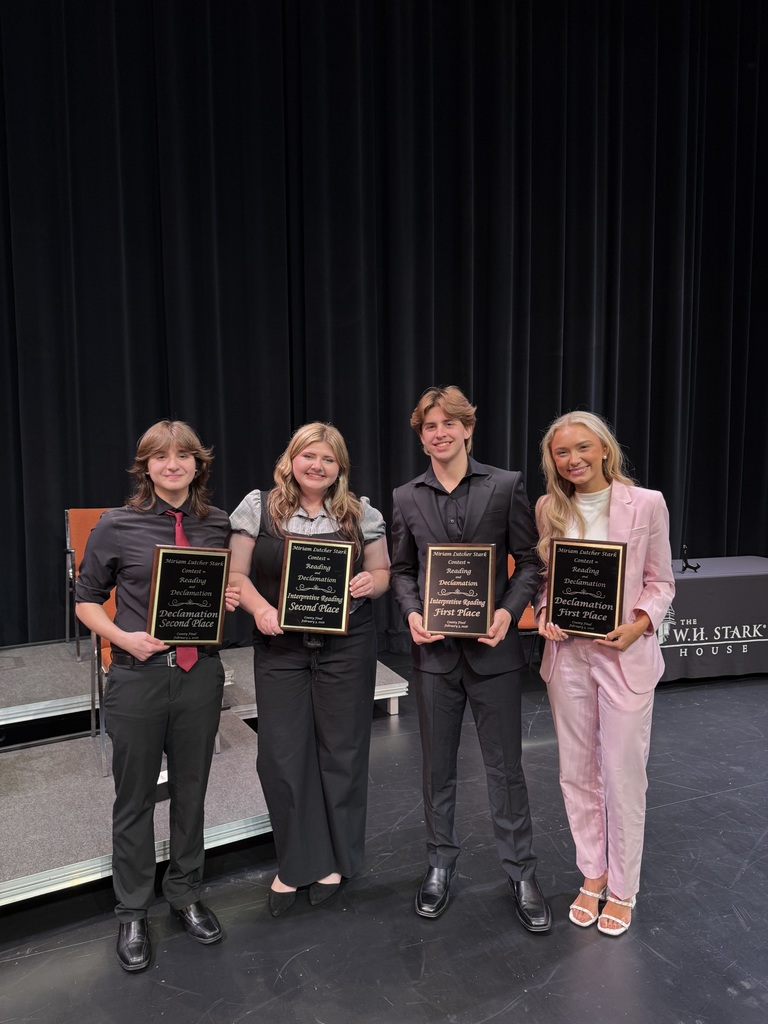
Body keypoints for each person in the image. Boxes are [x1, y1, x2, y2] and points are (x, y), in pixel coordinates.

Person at [75, 420, 239, 972]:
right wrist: (123, 637)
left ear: (198, 464)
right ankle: (132, 910)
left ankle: (186, 894)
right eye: (160, 457)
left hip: (200, 676)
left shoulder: (216, 524)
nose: (173, 465)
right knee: (135, 798)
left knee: (192, 792)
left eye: (183, 456)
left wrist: (234, 596)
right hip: (138, 677)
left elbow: (228, 586)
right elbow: (86, 601)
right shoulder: (116, 525)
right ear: (145, 466)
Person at [390, 386, 551, 932]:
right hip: (434, 656)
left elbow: (529, 562)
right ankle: (439, 864)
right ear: (422, 436)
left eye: (448, 423)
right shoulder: (406, 496)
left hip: (495, 653)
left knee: (506, 768)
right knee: (437, 769)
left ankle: (521, 871)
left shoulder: (505, 485)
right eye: (428, 426)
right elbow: (403, 570)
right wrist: (412, 613)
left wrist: (508, 613)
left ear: (467, 428)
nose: (439, 433)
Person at [228, 422, 391, 916]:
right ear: (291, 459)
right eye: (308, 456)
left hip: (346, 645)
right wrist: (259, 608)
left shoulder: (361, 513)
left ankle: (336, 859)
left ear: (339, 467)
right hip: (281, 647)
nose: (316, 466)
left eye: (327, 459)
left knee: (341, 749)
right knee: (281, 754)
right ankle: (298, 860)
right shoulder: (258, 508)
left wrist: (370, 582)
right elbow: (236, 574)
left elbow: (383, 573)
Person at [535, 410, 674, 936]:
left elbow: (661, 582)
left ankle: (623, 887)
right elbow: (548, 582)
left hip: (623, 654)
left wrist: (639, 624)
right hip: (567, 656)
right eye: (562, 452)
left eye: (582, 448)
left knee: (622, 773)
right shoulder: (548, 507)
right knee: (576, 771)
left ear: (605, 450)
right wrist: (546, 614)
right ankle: (591, 874)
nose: (573, 459)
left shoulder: (647, 503)